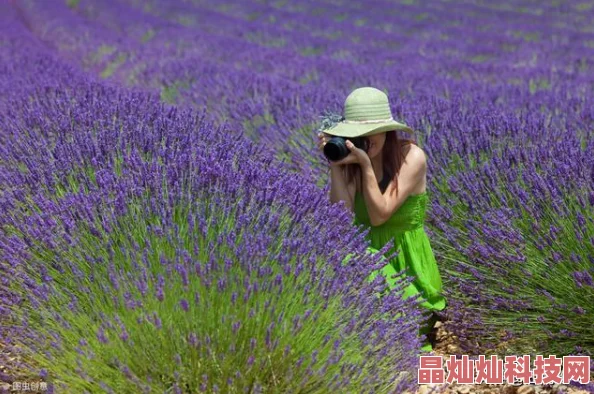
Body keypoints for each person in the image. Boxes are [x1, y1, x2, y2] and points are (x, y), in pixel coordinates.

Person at [318, 86, 447, 353]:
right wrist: (336, 167)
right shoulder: (352, 161)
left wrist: (365, 166)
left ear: (387, 130)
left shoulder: (411, 157)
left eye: (369, 133)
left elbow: (379, 215)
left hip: (405, 264)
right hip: (365, 258)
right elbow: (340, 220)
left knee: (396, 332)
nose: (365, 139)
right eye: (357, 134)